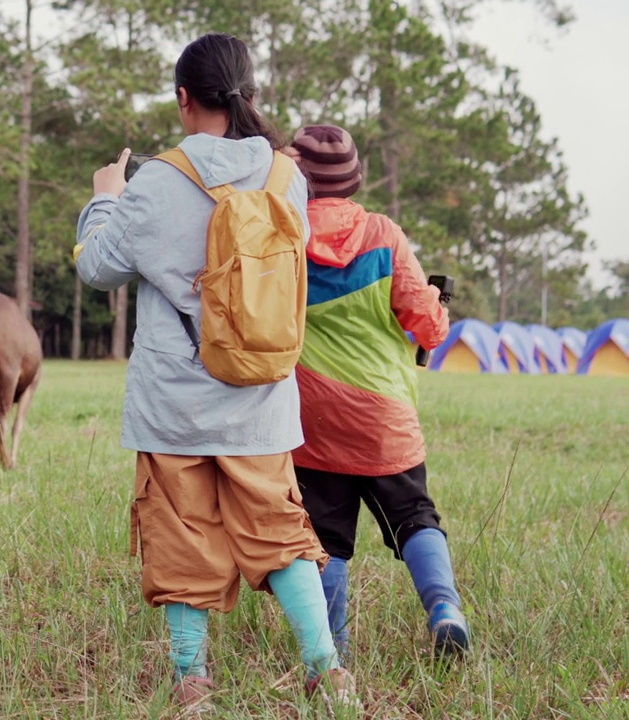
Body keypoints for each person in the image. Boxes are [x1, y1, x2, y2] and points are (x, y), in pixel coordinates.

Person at [73, 33, 354, 710]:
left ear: (183, 99)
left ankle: (192, 683)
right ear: (248, 93)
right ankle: (327, 668)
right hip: (261, 393)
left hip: (174, 402)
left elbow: (96, 266)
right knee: (282, 534)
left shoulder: (158, 178)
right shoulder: (289, 177)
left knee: (179, 537)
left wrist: (105, 197)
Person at [287, 124, 470, 662]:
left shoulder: (285, 238)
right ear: (355, 178)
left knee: (326, 540)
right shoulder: (384, 234)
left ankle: (333, 650)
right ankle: (444, 609)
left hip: (311, 421)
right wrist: (436, 302)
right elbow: (429, 328)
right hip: (385, 419)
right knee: (415, 516)